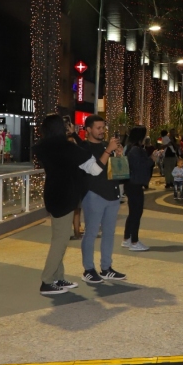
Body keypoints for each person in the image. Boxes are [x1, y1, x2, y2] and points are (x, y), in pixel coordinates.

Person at [33, 113, 102, 295]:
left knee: (58, 237)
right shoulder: (67, 147)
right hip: (66, 196)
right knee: (60, 241)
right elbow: (93, 166)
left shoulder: (43, 147)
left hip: (53, 194)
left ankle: (57, 277)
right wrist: (75, 136)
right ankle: (47, 281)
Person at [79, 115, 127, 283]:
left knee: (109, 233)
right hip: (94, 194)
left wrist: (118, 155)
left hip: (112, 194)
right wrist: (108, 151)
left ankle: (106, 267)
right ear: (89, 129)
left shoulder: (108, 145)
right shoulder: (84, 148)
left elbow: (116, 169)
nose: (101, 131)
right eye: (98, 128)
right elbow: (95, 170)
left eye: (103, 128)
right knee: (91, 233)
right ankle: (88, 269)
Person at [121, 126, 154, 252]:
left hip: (130, 184)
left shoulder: (129, 147)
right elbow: (140, 166)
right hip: (135, 184)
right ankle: (134, 241)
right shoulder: (136, 150)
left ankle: (127, 239)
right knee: (136, 213)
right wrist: (152, 159)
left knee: (132, 212)